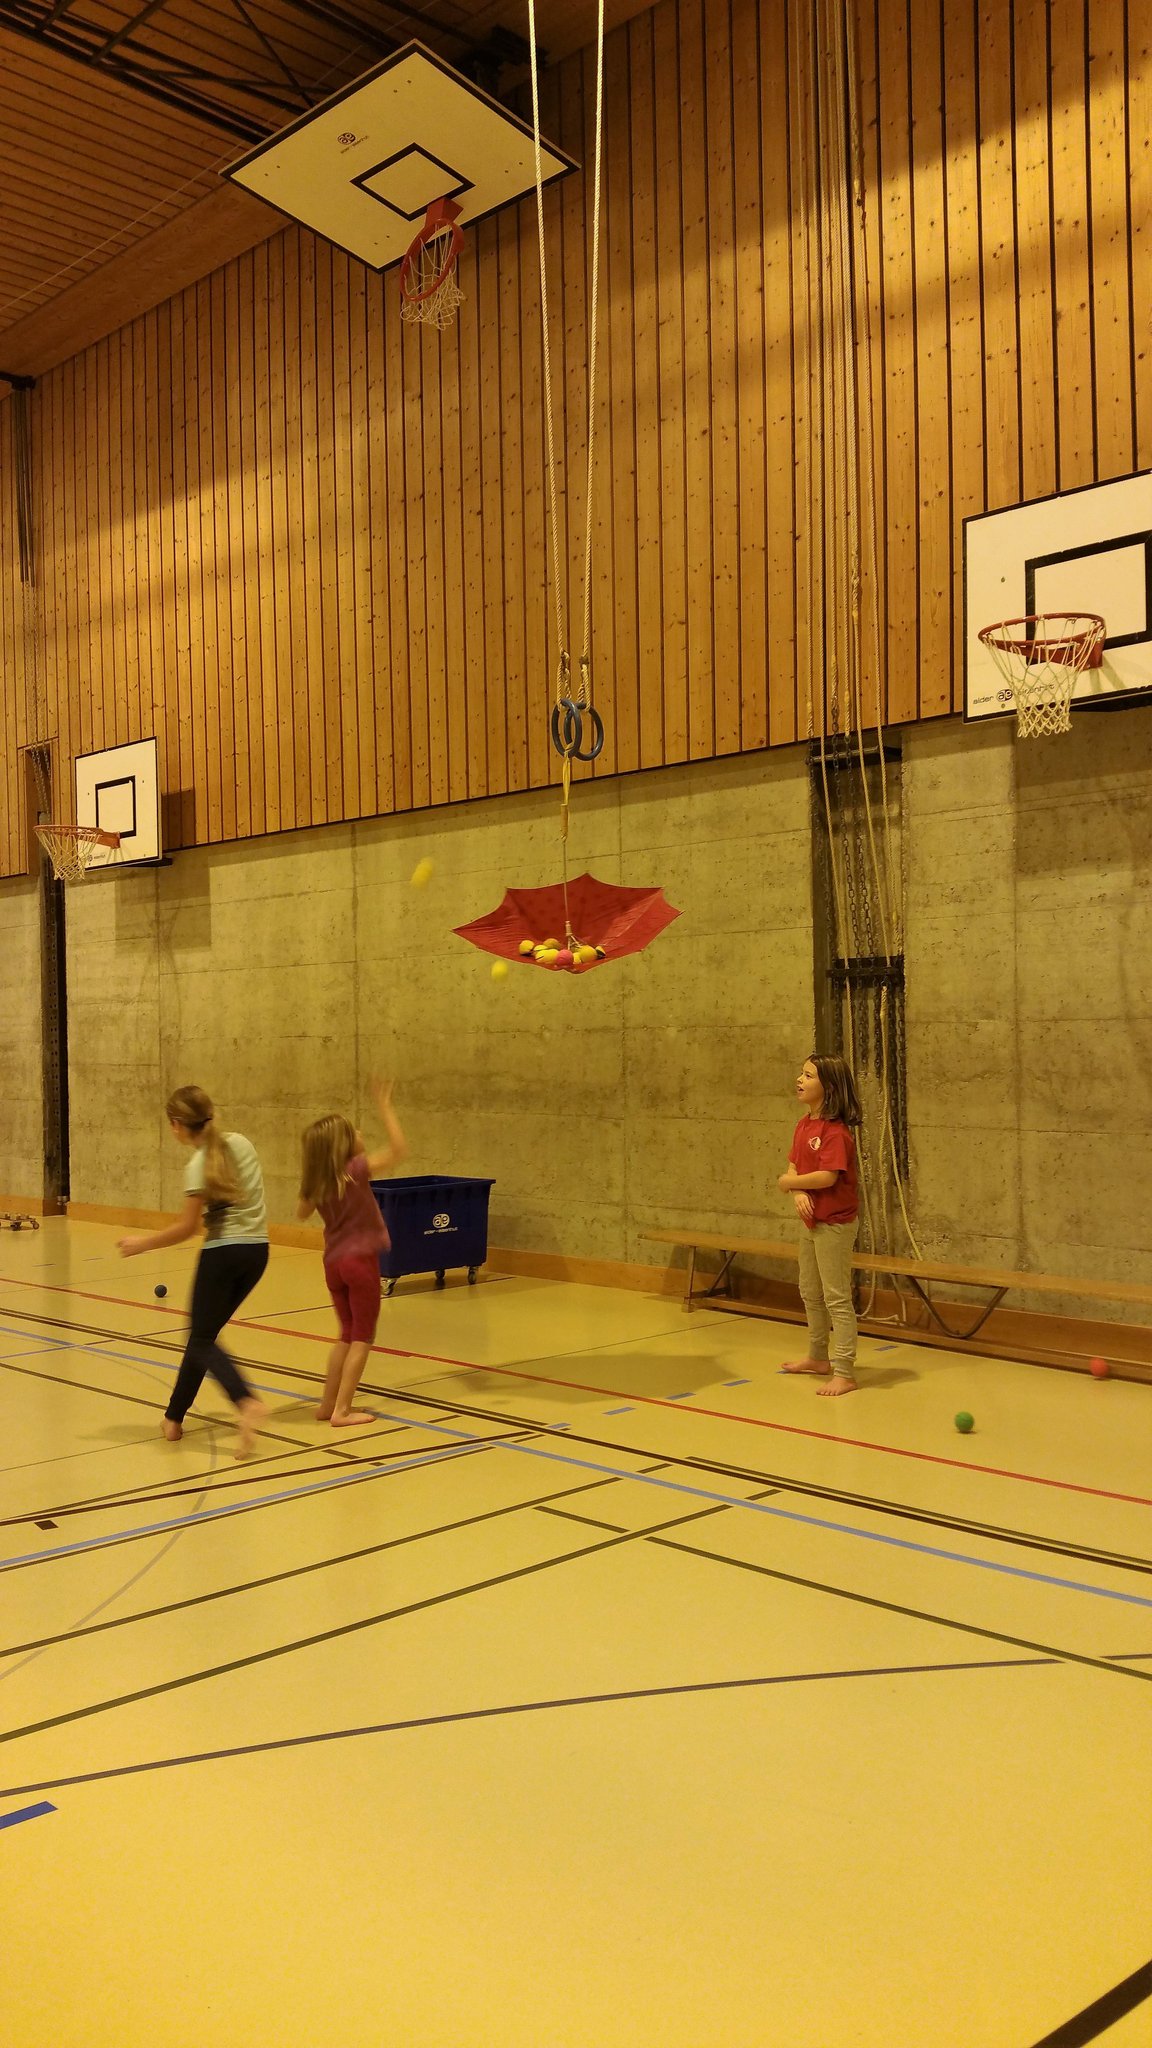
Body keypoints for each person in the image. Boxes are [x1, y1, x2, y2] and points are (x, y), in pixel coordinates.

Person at [119, 1086, 269, 1457]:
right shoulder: (242, 1143)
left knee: (201, 1339)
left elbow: (187, 1228)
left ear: (177, 1125)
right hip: (257, 1252)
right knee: (203, 1336)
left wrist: (143, 1243)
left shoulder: (197, 1165)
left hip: (224, 1253)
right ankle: (173, 1419)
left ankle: (245, 1400)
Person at [297, 1078, 408, 1426]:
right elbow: (398, 1150)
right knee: (363, 1336)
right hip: (360, 1262)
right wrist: (385, 1108)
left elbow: (301, 1212)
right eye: (353, 1131)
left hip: (333, 1263)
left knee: (345, 1334)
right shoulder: (356, 1171)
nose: (360, 1133)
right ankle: (342, 1410)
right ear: (343, 1146)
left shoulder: (319, 1183)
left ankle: (326, 1404)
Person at [777, 1052, 862, 1397]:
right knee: (809, 1291)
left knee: (836, 1298)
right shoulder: (803, 1124)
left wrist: (789, 1184)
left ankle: (845, 1372)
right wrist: (796, 1189)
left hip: (835, 1225)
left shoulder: (836, 1133)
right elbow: (794, 1165)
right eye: (801, 1073)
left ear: (829, 1086)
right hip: (810, 1222)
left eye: (809, 1076)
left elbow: (827, 1177)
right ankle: (817, 1357)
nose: (800, 1080)